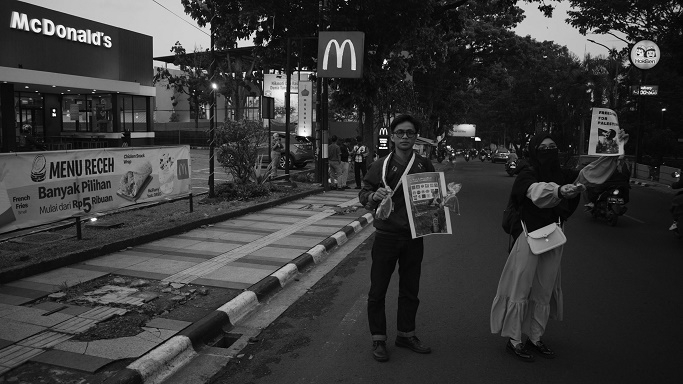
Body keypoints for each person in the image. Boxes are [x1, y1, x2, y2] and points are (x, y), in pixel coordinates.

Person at [491, 132, 629, 362]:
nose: (549, 151)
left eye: (552, 146)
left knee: (544, 290)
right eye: (543, 147)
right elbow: (535, 192)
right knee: (520, 288)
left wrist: (614, 149)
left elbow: (589, 175)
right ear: (534, 151)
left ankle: (535, 338)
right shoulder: (527, 173)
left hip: (554, 236)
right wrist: (558, 191)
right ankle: (514, 340)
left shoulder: (565, 174)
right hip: (528, 237)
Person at [359, 114, 435, 362]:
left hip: (414, 236)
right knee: (378, 290)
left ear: (416, 137)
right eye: (400, 132)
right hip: (386, 237)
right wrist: (373, 197)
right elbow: (364, 194)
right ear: (392, 136)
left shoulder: (424, 165)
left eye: (409, 133)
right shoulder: (379, 165)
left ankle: (406, 334)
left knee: (410, 290)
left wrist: (441, 204)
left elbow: (432, 201)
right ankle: (378, 338)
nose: (404, 137)